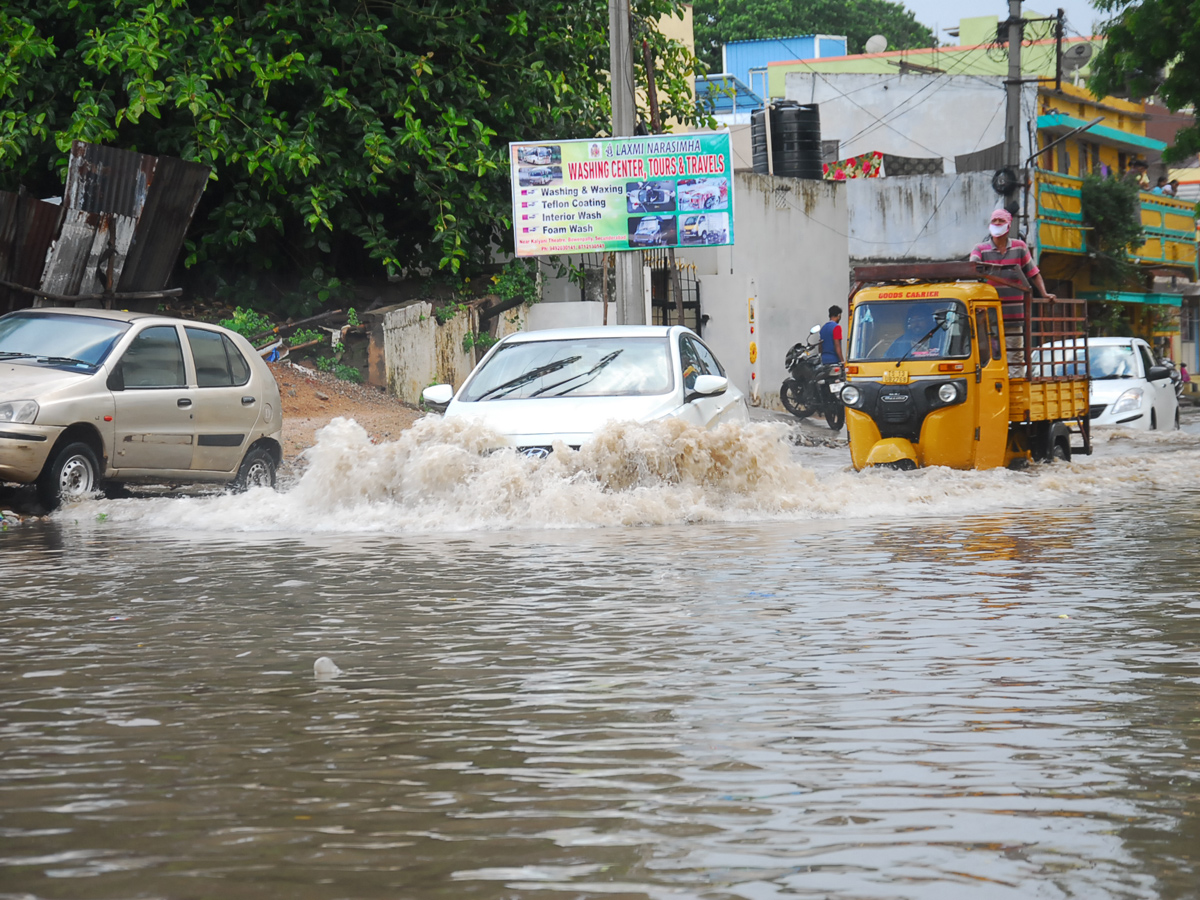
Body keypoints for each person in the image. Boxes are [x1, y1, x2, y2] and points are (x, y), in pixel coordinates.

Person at [969, 208, 1055, 377]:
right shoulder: (980, 249)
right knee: (989, 356)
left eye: (1001, 221)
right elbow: (971, 272)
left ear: (1008, 226)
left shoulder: (1019, 247)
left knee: (1015, 356)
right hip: (988, 316)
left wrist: (1044, 294)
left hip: (1014, 315)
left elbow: (1033, 273)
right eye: (995, 221)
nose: (997, 224)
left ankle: (1014, 395)